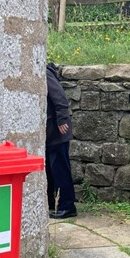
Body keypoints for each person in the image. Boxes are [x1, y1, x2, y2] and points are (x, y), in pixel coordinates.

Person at [46, 62, 76, 218]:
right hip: (50, 133)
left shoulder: (44, 73)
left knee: (60, 170)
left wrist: (62, 120)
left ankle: (67, 206)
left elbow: (59, 97)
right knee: (51, 171)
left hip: (57, 132)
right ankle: (53, 204)